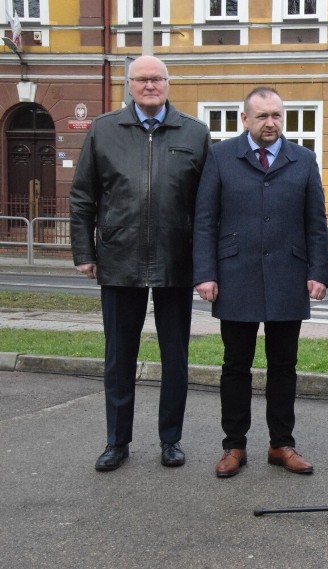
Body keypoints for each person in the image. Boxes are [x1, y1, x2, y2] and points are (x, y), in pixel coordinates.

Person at [70, 55, 211, 472]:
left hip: (176, 260)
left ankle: (171, 440)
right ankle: (117, 442)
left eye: (157, 79)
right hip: (119, 259)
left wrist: (204, 264)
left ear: (169, 84)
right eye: (142, 79)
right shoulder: (103, 130)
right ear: (129, 85)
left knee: (176, 358)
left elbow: (206, 207)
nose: (150, 85)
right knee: (118, 358)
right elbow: (82, 198)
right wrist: (84, 253)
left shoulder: (195, 133)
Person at [193, 87, 328, 479]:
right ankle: (234, 445)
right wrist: (205, 272)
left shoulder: (303, 159)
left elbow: (315, 222)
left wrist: (318, 271)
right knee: (236, 364)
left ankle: (281, 444)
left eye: (276, 116)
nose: (270, 123)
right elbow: (205, 219)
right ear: (245, 119)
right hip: (235, 276)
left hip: (289, 274)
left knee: (284, 366)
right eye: (262, 116)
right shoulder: (220, 157)